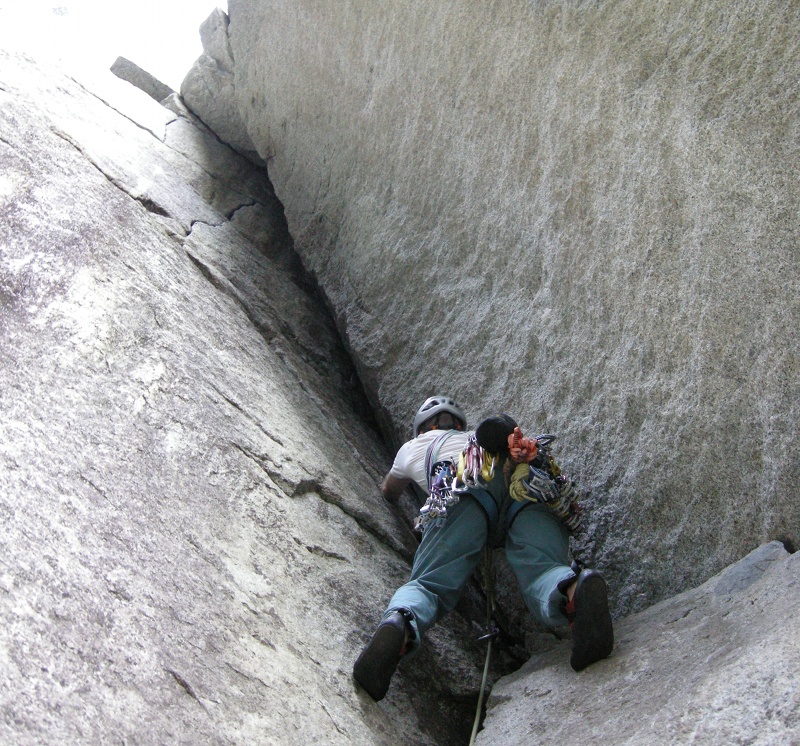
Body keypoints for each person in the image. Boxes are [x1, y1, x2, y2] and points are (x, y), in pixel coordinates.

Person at [353, 395, 614, 701]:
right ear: (460, 425)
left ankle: (401, 623)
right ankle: (573, 591)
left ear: (422, 428)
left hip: (463, 486)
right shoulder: (468, 439)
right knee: (544, 569)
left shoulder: (411, 448)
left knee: (429, 585)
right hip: (531, 484)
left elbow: (389, 491)